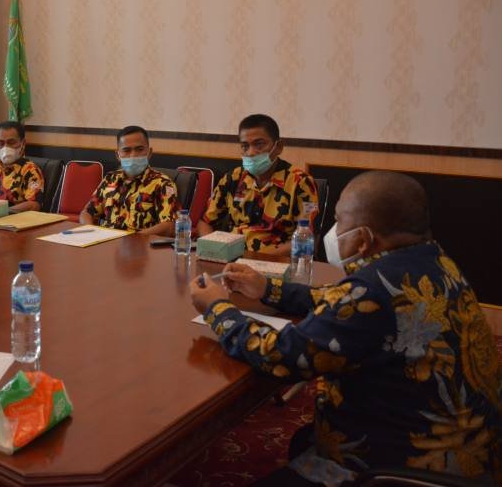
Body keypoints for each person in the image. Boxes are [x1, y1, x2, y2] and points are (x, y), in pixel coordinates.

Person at [190, 171, 500, 486]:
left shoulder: (372, 290)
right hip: (473, 450)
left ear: (363, 239)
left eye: (339, 221)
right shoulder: (432, 263)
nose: (333, 231)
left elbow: (282, 356)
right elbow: (341, 300)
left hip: (404, 467)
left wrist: (218, 309)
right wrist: (267, 289)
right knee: (303, 440)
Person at [197, 114, 317, 256]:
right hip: (231, 258)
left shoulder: (301, 182)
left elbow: (305, 239)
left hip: (275, 261)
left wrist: (257, 259)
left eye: (259, 144)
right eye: (245, 146)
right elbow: (205, 222)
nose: (251, 152)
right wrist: (214, 249)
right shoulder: (233, 178)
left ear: (278, 147)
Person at [80, 125, 178, 236]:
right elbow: (86, 213)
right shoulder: (110, 179)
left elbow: (169, 226)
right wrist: (91, 233)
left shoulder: (163, 184)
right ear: (118, 155)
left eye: (139, 149)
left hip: (140, 243)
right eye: (126, 150)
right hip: (106, 242)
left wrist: (132, 238)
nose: (133, 155)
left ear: (149, 152)